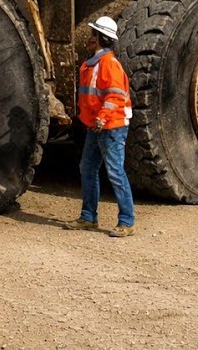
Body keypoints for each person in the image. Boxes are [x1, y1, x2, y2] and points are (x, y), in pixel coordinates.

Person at [63, 16, 136, 238]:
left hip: (110, 126)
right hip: (97, 126)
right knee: (87, 168)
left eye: (93, 35)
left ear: (101, 38)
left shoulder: (108, 65)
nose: (89, 38)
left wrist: (102, 118)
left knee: (115, 172)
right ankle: (88, 217)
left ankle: (126, 221)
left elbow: (114, 96)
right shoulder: (93, 64)